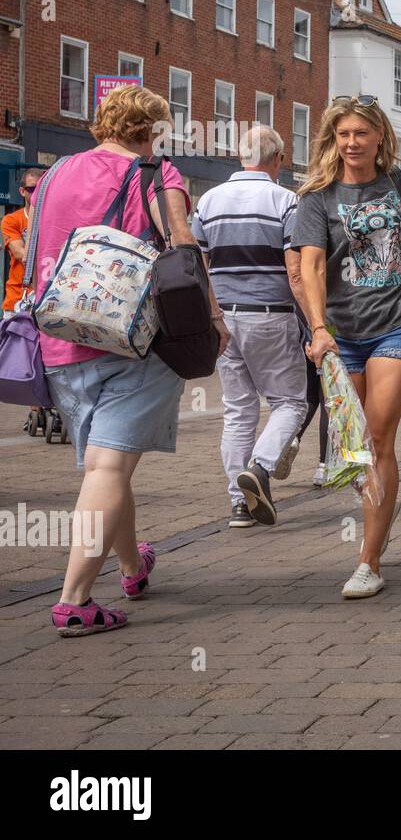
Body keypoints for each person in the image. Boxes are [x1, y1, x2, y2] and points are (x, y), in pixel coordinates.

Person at [37, 85, 229, 636]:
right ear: (152, 131)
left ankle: (130, 565)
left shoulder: (53, 174)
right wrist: (214, 320)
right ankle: (74, 600)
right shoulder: (155, 174)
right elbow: (184, 253)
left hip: (62, 337)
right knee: (110, 468)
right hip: (129, 338)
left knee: (109, 467)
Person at [293, 95, 401, 600]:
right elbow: (312, 265)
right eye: (343, 135)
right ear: (332, 140)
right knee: (357, 449)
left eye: (361, 133)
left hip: (397, 325)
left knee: (378, 436)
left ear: (380, 135)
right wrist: (318, 328)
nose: (352, 142)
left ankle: (369, 560)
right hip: (341, 334)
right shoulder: (317, 196)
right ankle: (375, 530)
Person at [191, 125, 308, 529]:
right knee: (290, 402)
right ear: (276, 159)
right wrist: (315, 321)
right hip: (271, 313)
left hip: (223, 317)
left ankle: (239, 504)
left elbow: (197, 264)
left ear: (241, 158)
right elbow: (296, 271)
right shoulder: (286, 200)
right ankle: (260, 468)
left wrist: (213, 316)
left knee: (238, 411)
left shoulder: (208, 201)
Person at [3, 167, 41, 320]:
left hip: (44, 301)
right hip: (18, 300)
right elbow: (21, 254)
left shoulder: (52, 218)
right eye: (31, 188)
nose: (36, 193)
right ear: (22, 191)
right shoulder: (11, 220)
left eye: (40, 188)